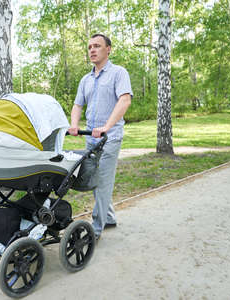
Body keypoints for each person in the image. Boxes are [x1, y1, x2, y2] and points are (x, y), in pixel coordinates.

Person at [68, 33, 132, 239]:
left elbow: (124, 101)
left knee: (103, 181)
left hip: (110, 136)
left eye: (97, 46)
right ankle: (110, 217)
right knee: (94, 179)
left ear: (108, 49)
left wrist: (106, 126)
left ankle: (95, 229)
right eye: (89, 47)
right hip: (91, 137)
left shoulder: (118, 73)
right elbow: (78, 104)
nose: (92, 50)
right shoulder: (85, 79)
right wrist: (74, 125)